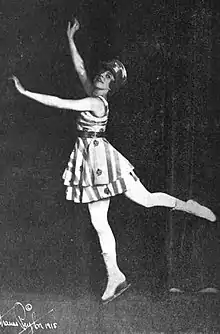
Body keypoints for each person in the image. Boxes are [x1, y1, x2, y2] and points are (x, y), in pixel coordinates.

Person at [11, 18, 216, 304]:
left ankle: (185, 208)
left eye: (107, 78)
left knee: (140, 201)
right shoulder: (93, 93)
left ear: (112, 86)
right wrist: (70, 38)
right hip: (92, 158)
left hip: (99, 162)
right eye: (102, 74)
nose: (100, 78)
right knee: (103, 219)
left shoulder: (96, 102)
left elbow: (61, 102)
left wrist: (25, 93)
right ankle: (115, 275)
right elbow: (81, 67)